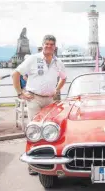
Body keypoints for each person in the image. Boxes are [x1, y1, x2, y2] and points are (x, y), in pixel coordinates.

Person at [12, 34, 67, 175]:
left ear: (55, 47)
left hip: (49, 100)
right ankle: (33, 164)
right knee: (34, 130)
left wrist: (57, 90)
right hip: (34, 99)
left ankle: (48, 160)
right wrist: (20, 93)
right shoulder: (33, 59)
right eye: (46, 44)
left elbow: (64, 77)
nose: (49, 46)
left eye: (51, 44)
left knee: (49, 131)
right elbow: (16, 73)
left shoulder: (58, 62)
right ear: (43, 45)